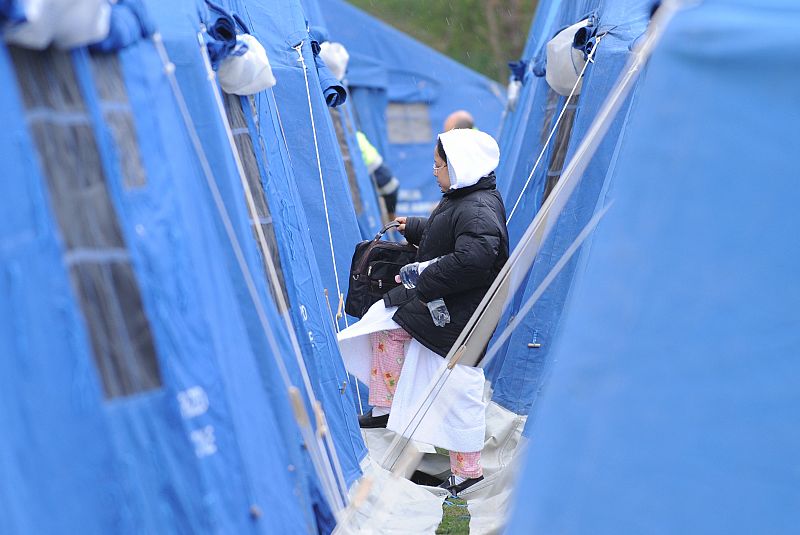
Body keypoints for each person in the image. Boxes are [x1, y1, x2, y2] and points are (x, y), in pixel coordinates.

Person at [337, 128, 509, 496]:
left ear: (459, 166)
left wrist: (423, 276)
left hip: (460, 316)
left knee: (455, 386)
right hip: (447, 306)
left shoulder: (477, 207)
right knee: (386, 329)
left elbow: (473, 260)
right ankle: (387, 407)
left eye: (439, 165)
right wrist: (414, 228)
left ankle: (468, 470)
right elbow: (447, 234)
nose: (434, 171)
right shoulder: (463, 196)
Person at [356, 131, 400, 221]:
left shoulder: (354, 133)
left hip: (375, 167)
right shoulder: (352, 133)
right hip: (371, 169)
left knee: (391, 188)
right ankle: (389, 217)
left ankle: (390, 216)